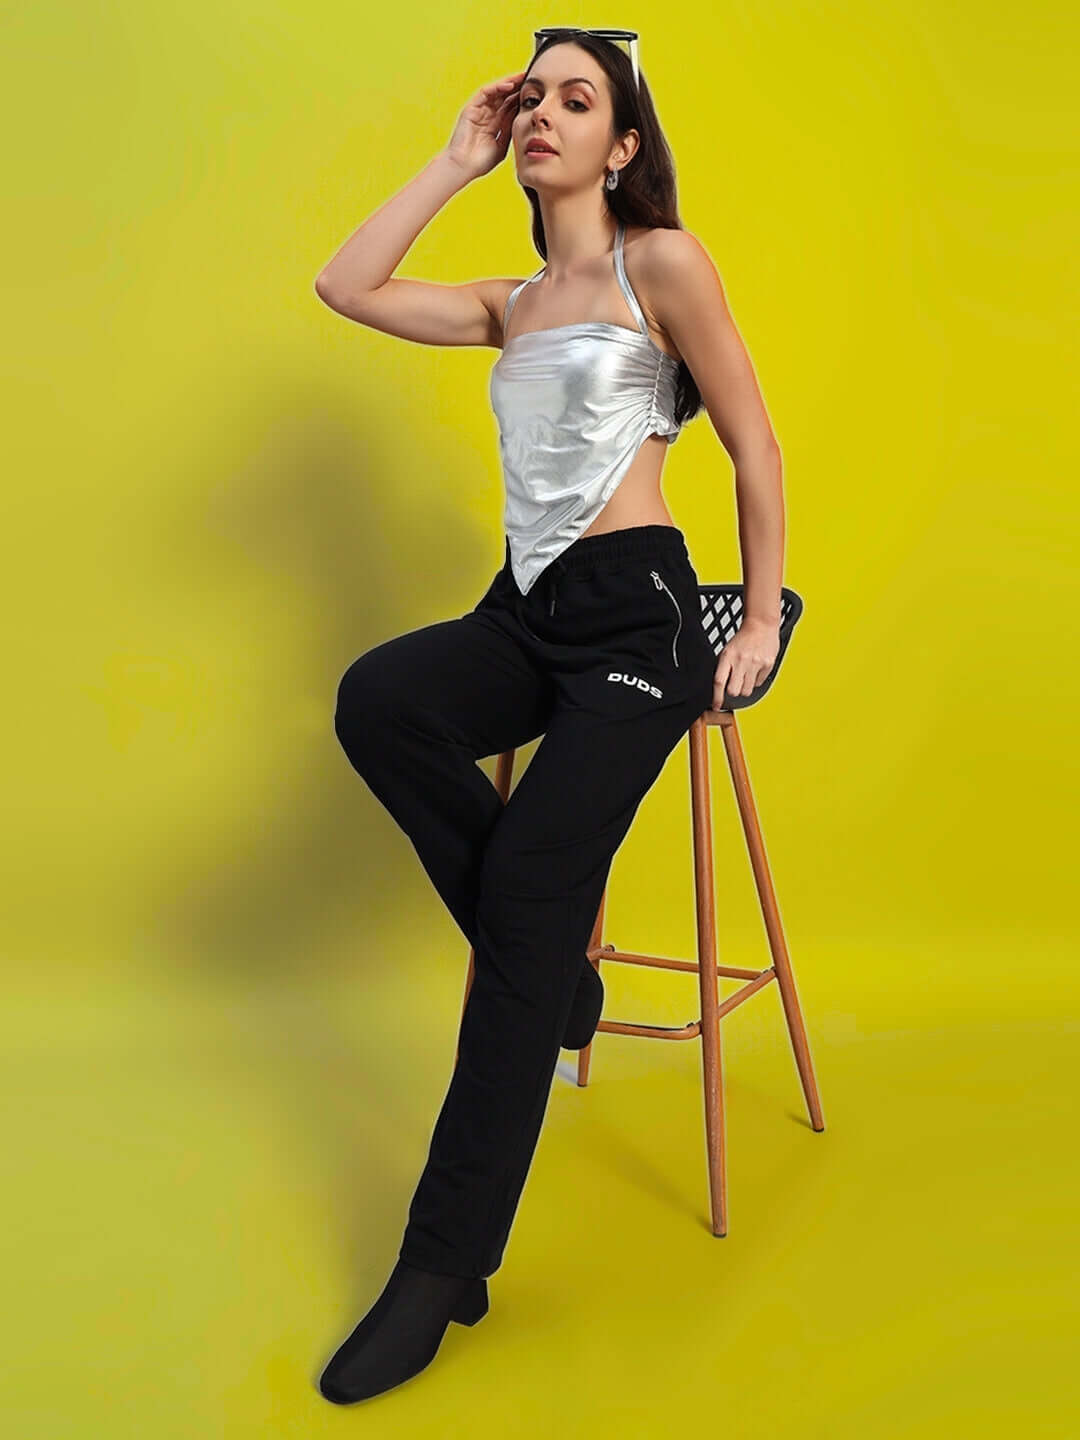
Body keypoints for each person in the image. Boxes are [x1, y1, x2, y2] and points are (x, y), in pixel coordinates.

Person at [313, 30, 785, 1404]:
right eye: (535, 99)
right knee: (377, 699)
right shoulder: (507, 299)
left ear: (624, 144)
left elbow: (753, 439)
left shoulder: (664, 266)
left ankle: (442, 1264)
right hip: (526, 612)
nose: (546, 118)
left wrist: (750, 620)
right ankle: (558, 984)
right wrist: (453, 158)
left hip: (639, 620)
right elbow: (344, 284)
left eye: (579, 100)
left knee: (525, 883)